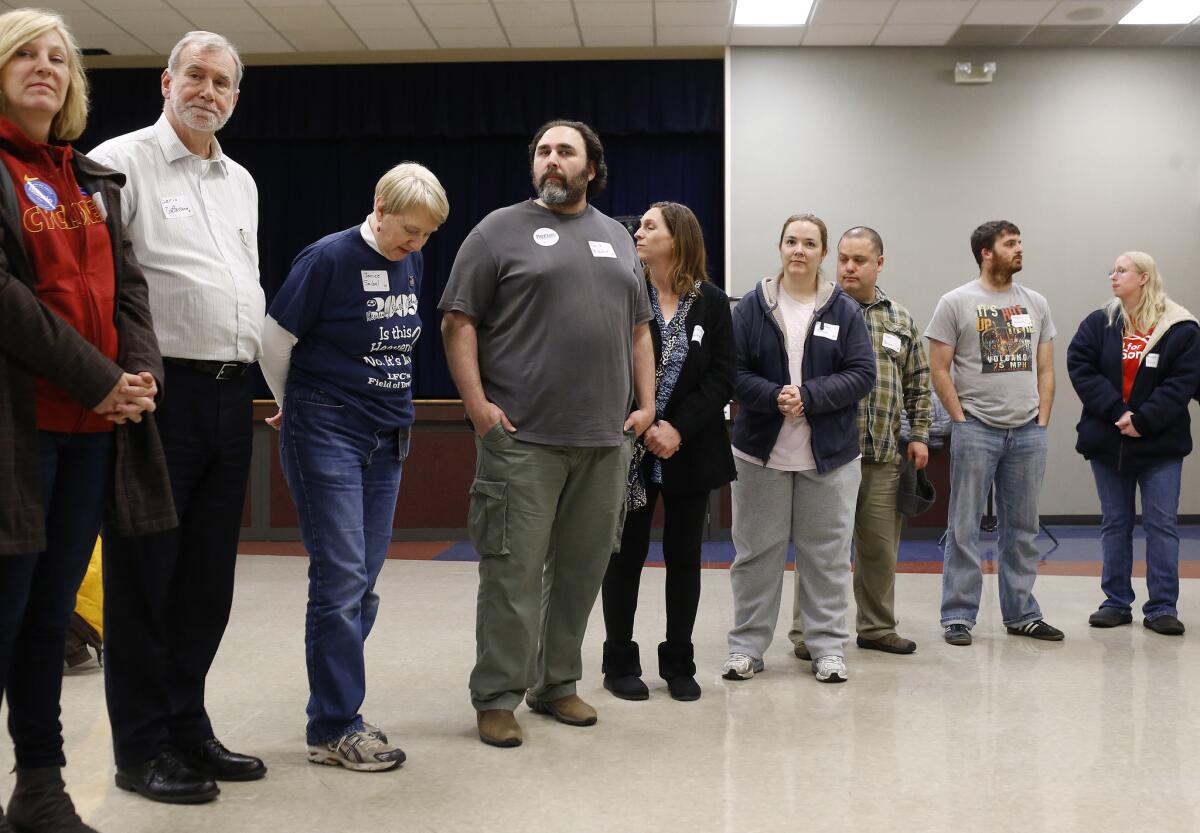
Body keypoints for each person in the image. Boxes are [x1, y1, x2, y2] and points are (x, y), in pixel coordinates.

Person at [0, 8, 173, 831]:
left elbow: (128, 290)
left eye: (58, 58)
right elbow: (7, 301)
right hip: (17, 432)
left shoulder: (91, 176)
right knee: (3, 612)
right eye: (24, 54)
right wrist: (100, 376)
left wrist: (137, 378)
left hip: (92, 432)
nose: (44, 67)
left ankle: (39, 786)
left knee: (48, 615)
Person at [89, 31, 265, 803]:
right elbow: (99, 288)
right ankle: (140, 748)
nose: (209, 91)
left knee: (206, 582)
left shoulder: (242, 181)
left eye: (223, 82)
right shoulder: (116, 162)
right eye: (196, 74)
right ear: (166, 80)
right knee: (145, 578)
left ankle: (187, 724)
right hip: (158, 396)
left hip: (232, 396)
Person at [439, 118, 654, 747]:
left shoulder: (617, 236)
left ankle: (556, 683)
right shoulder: (496, 231)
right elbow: (459, 320)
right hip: (522, 440)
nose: (551, 160)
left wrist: (646, 407)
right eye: (543, 151)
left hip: (606, 441)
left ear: (592, 168)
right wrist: (476, 404)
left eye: (566, 152)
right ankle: (497, 695)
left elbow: (640, 327)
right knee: (513, 572)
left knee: (583, 570)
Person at [260, 162, 448, 769]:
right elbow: (273, 339)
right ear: (379, 206)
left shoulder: (411, 260)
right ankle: (336, 723)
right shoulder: (328, 259)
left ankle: (331, 706)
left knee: (362, 587)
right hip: (327, 425)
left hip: (388, 431)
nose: (414, 245)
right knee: (340, 580)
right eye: (408, 231)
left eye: (425, 236)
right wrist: (294, 407)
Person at [722, 213, 875, 685]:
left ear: (822, 253)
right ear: (780, 247)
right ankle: (747, 648)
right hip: (760, 456)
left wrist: (808, 396)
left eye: (809, 243)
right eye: (791, 241)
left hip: (829, 458)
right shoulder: (751, 306)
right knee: (755, 555)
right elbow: (733, 371)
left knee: (826, 555)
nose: (799, 251)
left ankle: (827, 647)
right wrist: (773, 396)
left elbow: (862, 373)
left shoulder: (843, 309)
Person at [600, 202, 735, 703]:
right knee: (625, 557)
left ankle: (679, 661)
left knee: (685, 558)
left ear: (676, 239)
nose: (638, 231)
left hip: (689, 449)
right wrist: (643, 421)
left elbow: (723, 375)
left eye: (650, 226)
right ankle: (619, 662)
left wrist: (676, 427)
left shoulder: (713, 302)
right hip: (629, 448)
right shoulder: (623, 291)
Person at [789, 227, 931, 660]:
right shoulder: (820, 310)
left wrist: (920, 435)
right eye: (844, 259)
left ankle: (877, 627)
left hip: (881, 454)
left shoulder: (900, 320)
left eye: (860, 260)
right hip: (826, 452)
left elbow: (919, 383)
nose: (849, 268)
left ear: (879, 264)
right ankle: (807, 633)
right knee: (821, 549)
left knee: (879, 549)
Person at [926, 220, 1063, 646]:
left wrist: (1041, 420)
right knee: (963, 526)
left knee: (1022, 527)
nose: (1019, 249)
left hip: (1027, 431)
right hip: (977, 428)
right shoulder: (956, 302)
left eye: (1019, 241)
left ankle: (1022, 613)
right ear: (986, 252)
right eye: (1010, 243)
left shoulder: (1036, 302)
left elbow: (1045, 369)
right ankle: (958, 617)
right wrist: (960, 418)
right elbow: (938, 369)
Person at [1066, 251, 1200, 636]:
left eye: (1121, 270)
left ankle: (1161, 607)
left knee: (1161, 525)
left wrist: (1144, 420)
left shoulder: (1179, 326)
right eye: (1112, 269)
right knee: (1115, 523)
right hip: (1110, 442)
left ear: (1144, 277)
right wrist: (1116, 412)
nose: (1113, 275)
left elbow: (1183, 381)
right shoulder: (1100, 322)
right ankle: (1116, 602)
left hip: (1160, 445)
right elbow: (1081, 366)